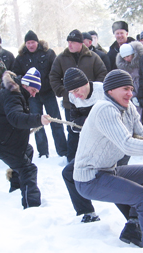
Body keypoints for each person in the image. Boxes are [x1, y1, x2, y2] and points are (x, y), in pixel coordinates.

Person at [73, 69, 143, 253]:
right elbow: (127, 144)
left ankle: (135, 224)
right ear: (111, 90)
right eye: (125, 89)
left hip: (107, 171)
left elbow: (140, 134)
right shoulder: (105, 109)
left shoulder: (127, 107)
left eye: (131, 89)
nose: (130, 93)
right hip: (90, 178)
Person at [0, 68, 49, 209]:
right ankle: (32, 206)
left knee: (27, 151)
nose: (34, 95)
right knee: (28, 169)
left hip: (3, 139)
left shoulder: (18, 93)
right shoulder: (13, 95)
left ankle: (16, 188)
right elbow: (15, 118)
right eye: (33, 90)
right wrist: (38, 119)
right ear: (25, 85)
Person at [49, 29, 107, 162]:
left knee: (95, 131)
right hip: (71, 104)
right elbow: (53, 76)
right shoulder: (61, 58)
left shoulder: (93, 57)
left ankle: (95, 159)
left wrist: (92, 91)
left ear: (81, 43)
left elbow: (102, 74)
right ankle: (72, 160)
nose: (70, 45)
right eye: (68, 42)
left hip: (92, 103)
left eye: (73, 42)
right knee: (73, 131)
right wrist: (65, 93)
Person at [13, 30, 67, 159]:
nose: (31, 45)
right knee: (37, 123)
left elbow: (55, 71)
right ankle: (43, 152)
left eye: (33, 42)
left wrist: (49, 84)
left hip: (48, 92)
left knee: (55, 121)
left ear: (37, 42)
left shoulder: (48, 53)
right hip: (32, 96)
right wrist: (25, 83)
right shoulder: (21, 57)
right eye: (28, 43)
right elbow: (15, 75)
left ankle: (63, 150)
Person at [61, 67, 105, 223]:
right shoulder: (73, 97)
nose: (76, 94)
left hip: (111, 144)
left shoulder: (103, 90)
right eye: (72, 92)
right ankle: (87, 212)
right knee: (68, 173)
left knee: (113, 179)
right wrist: (85, 121)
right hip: (90, 144)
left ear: (86, 82)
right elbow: (74, 122)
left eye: (77, 89)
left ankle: (134, 217)